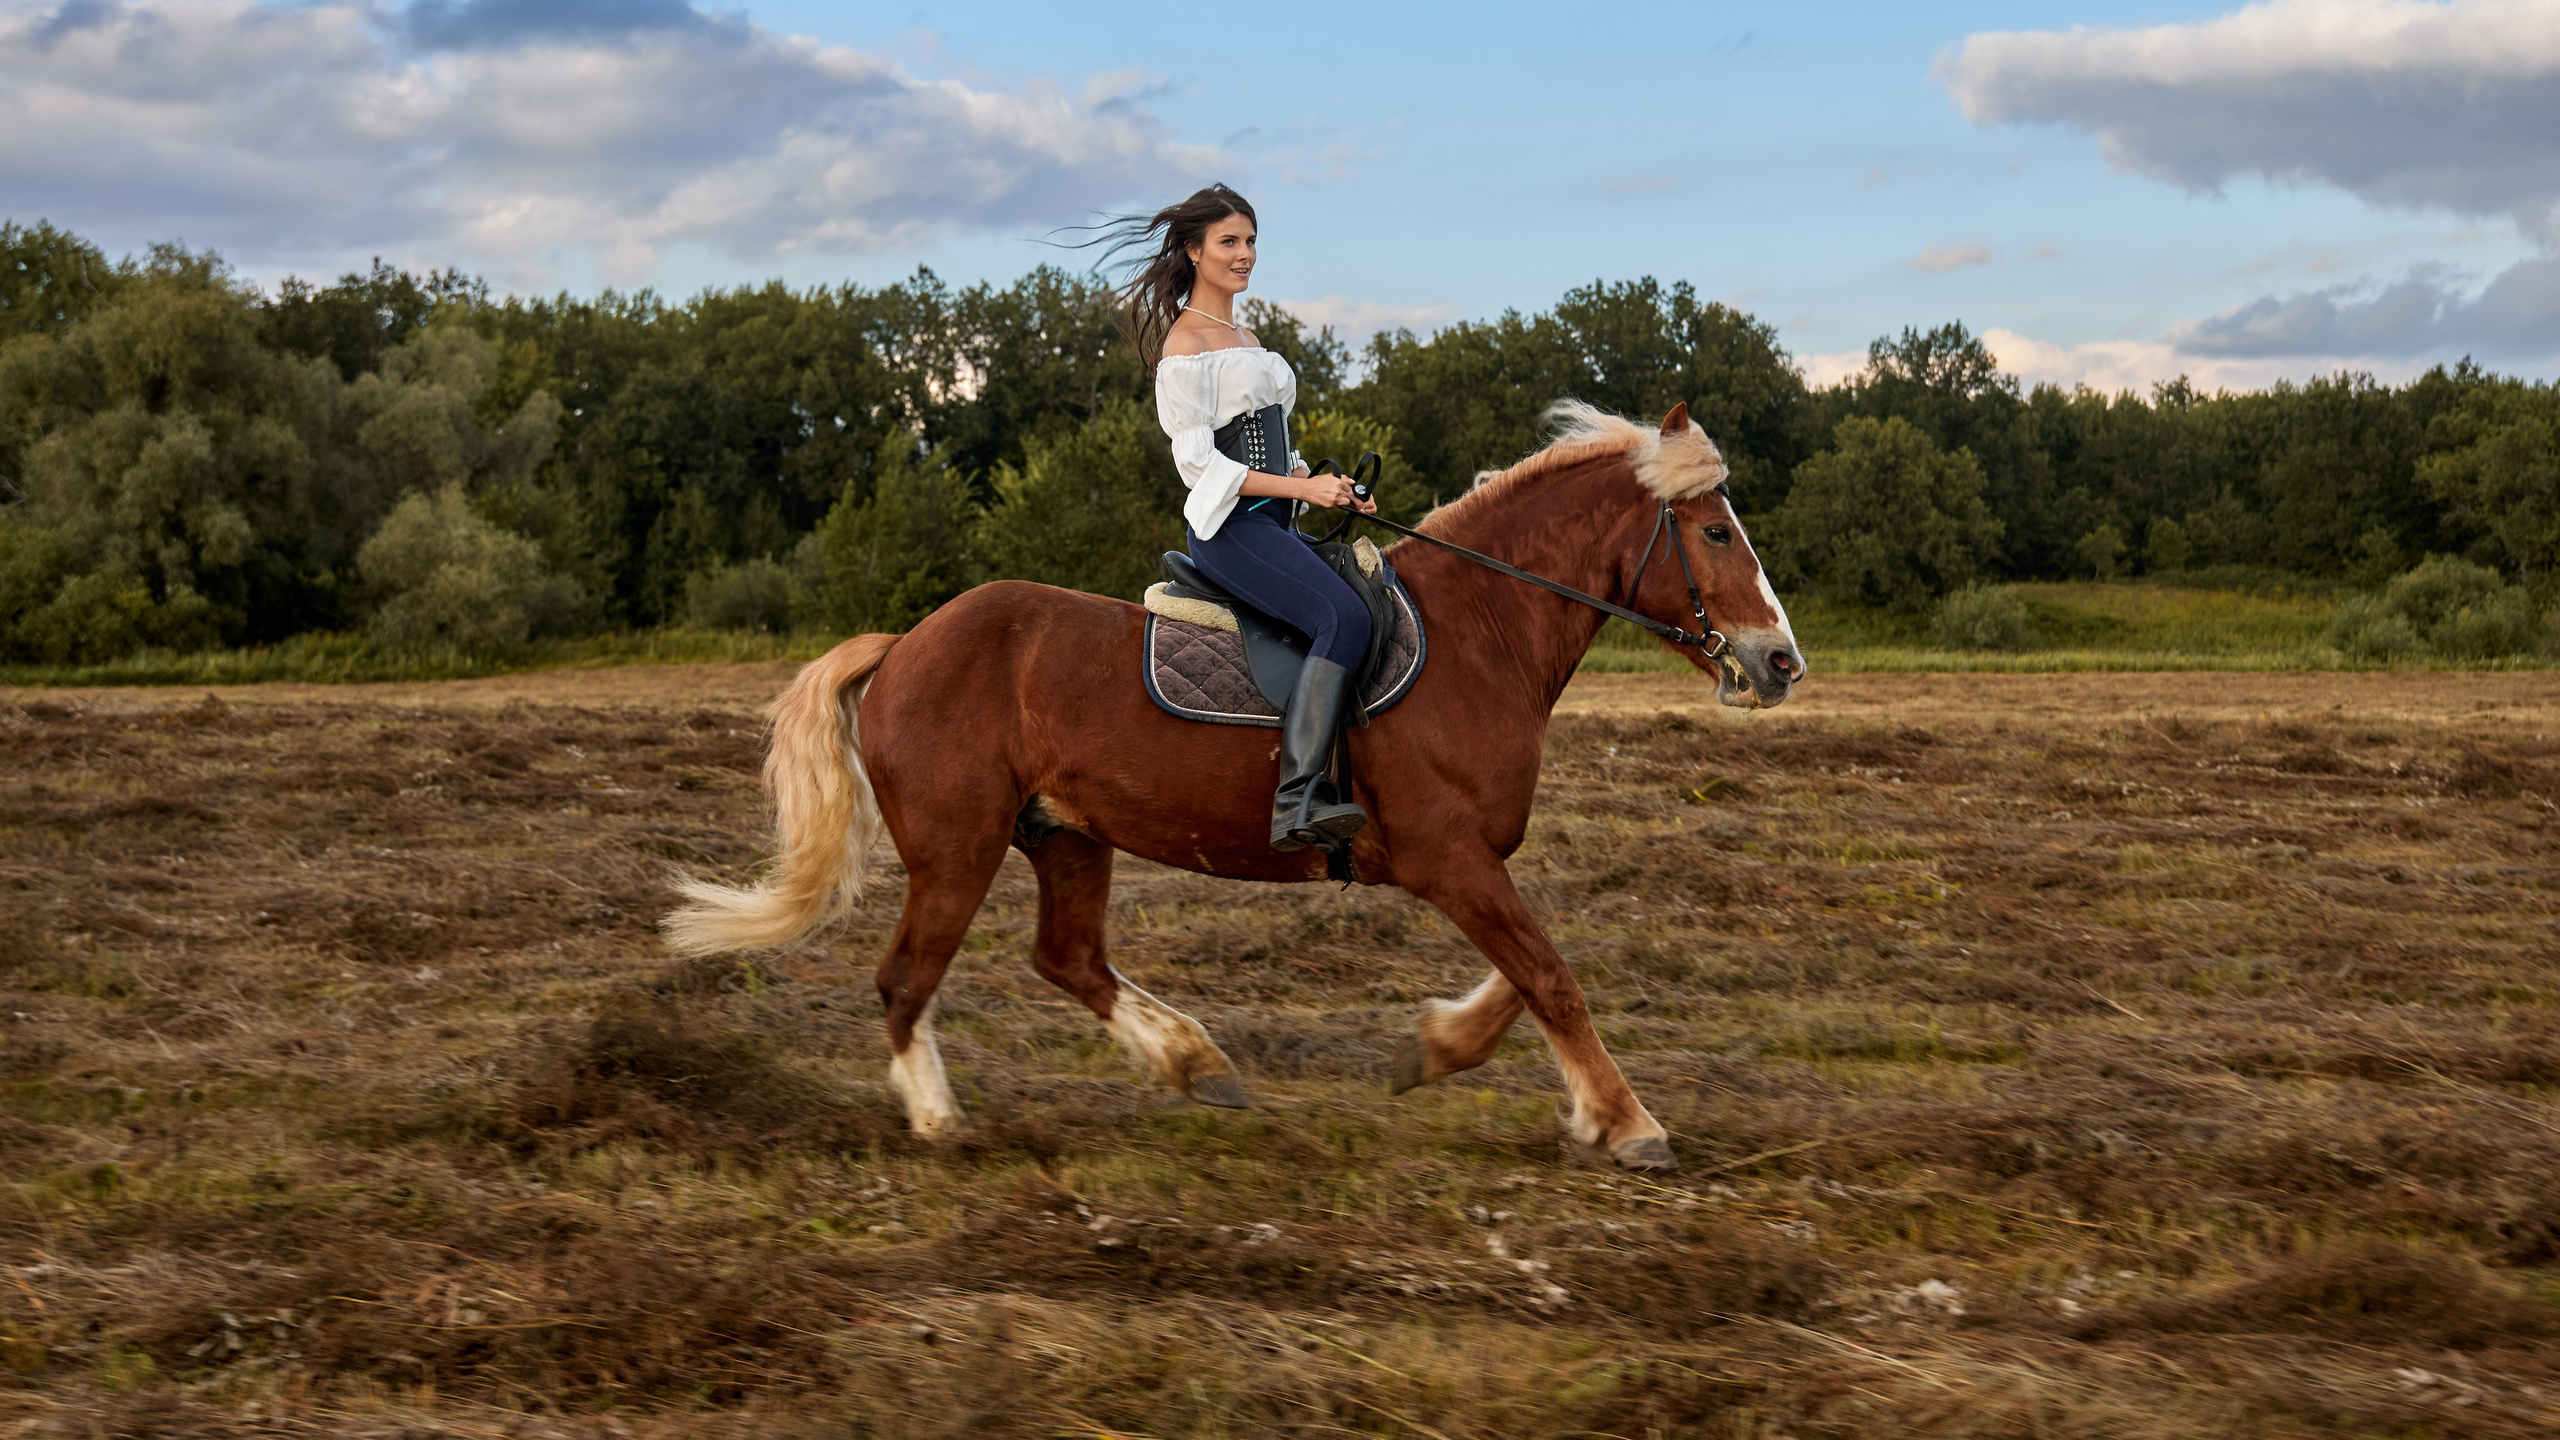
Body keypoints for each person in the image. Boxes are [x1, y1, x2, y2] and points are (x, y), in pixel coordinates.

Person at [1105, 184, 1379, 852]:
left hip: (1273, 523)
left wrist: (1325, 486)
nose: (1245, 254)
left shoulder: (1247, 338)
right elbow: (1200, 464)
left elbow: (1278, 453)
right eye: (1229, 242)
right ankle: (1297, 802)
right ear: (1195, 251)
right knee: (1343, 617)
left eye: (1251, 241)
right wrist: (1300, 492)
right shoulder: (1186, 344)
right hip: (1229, 531)